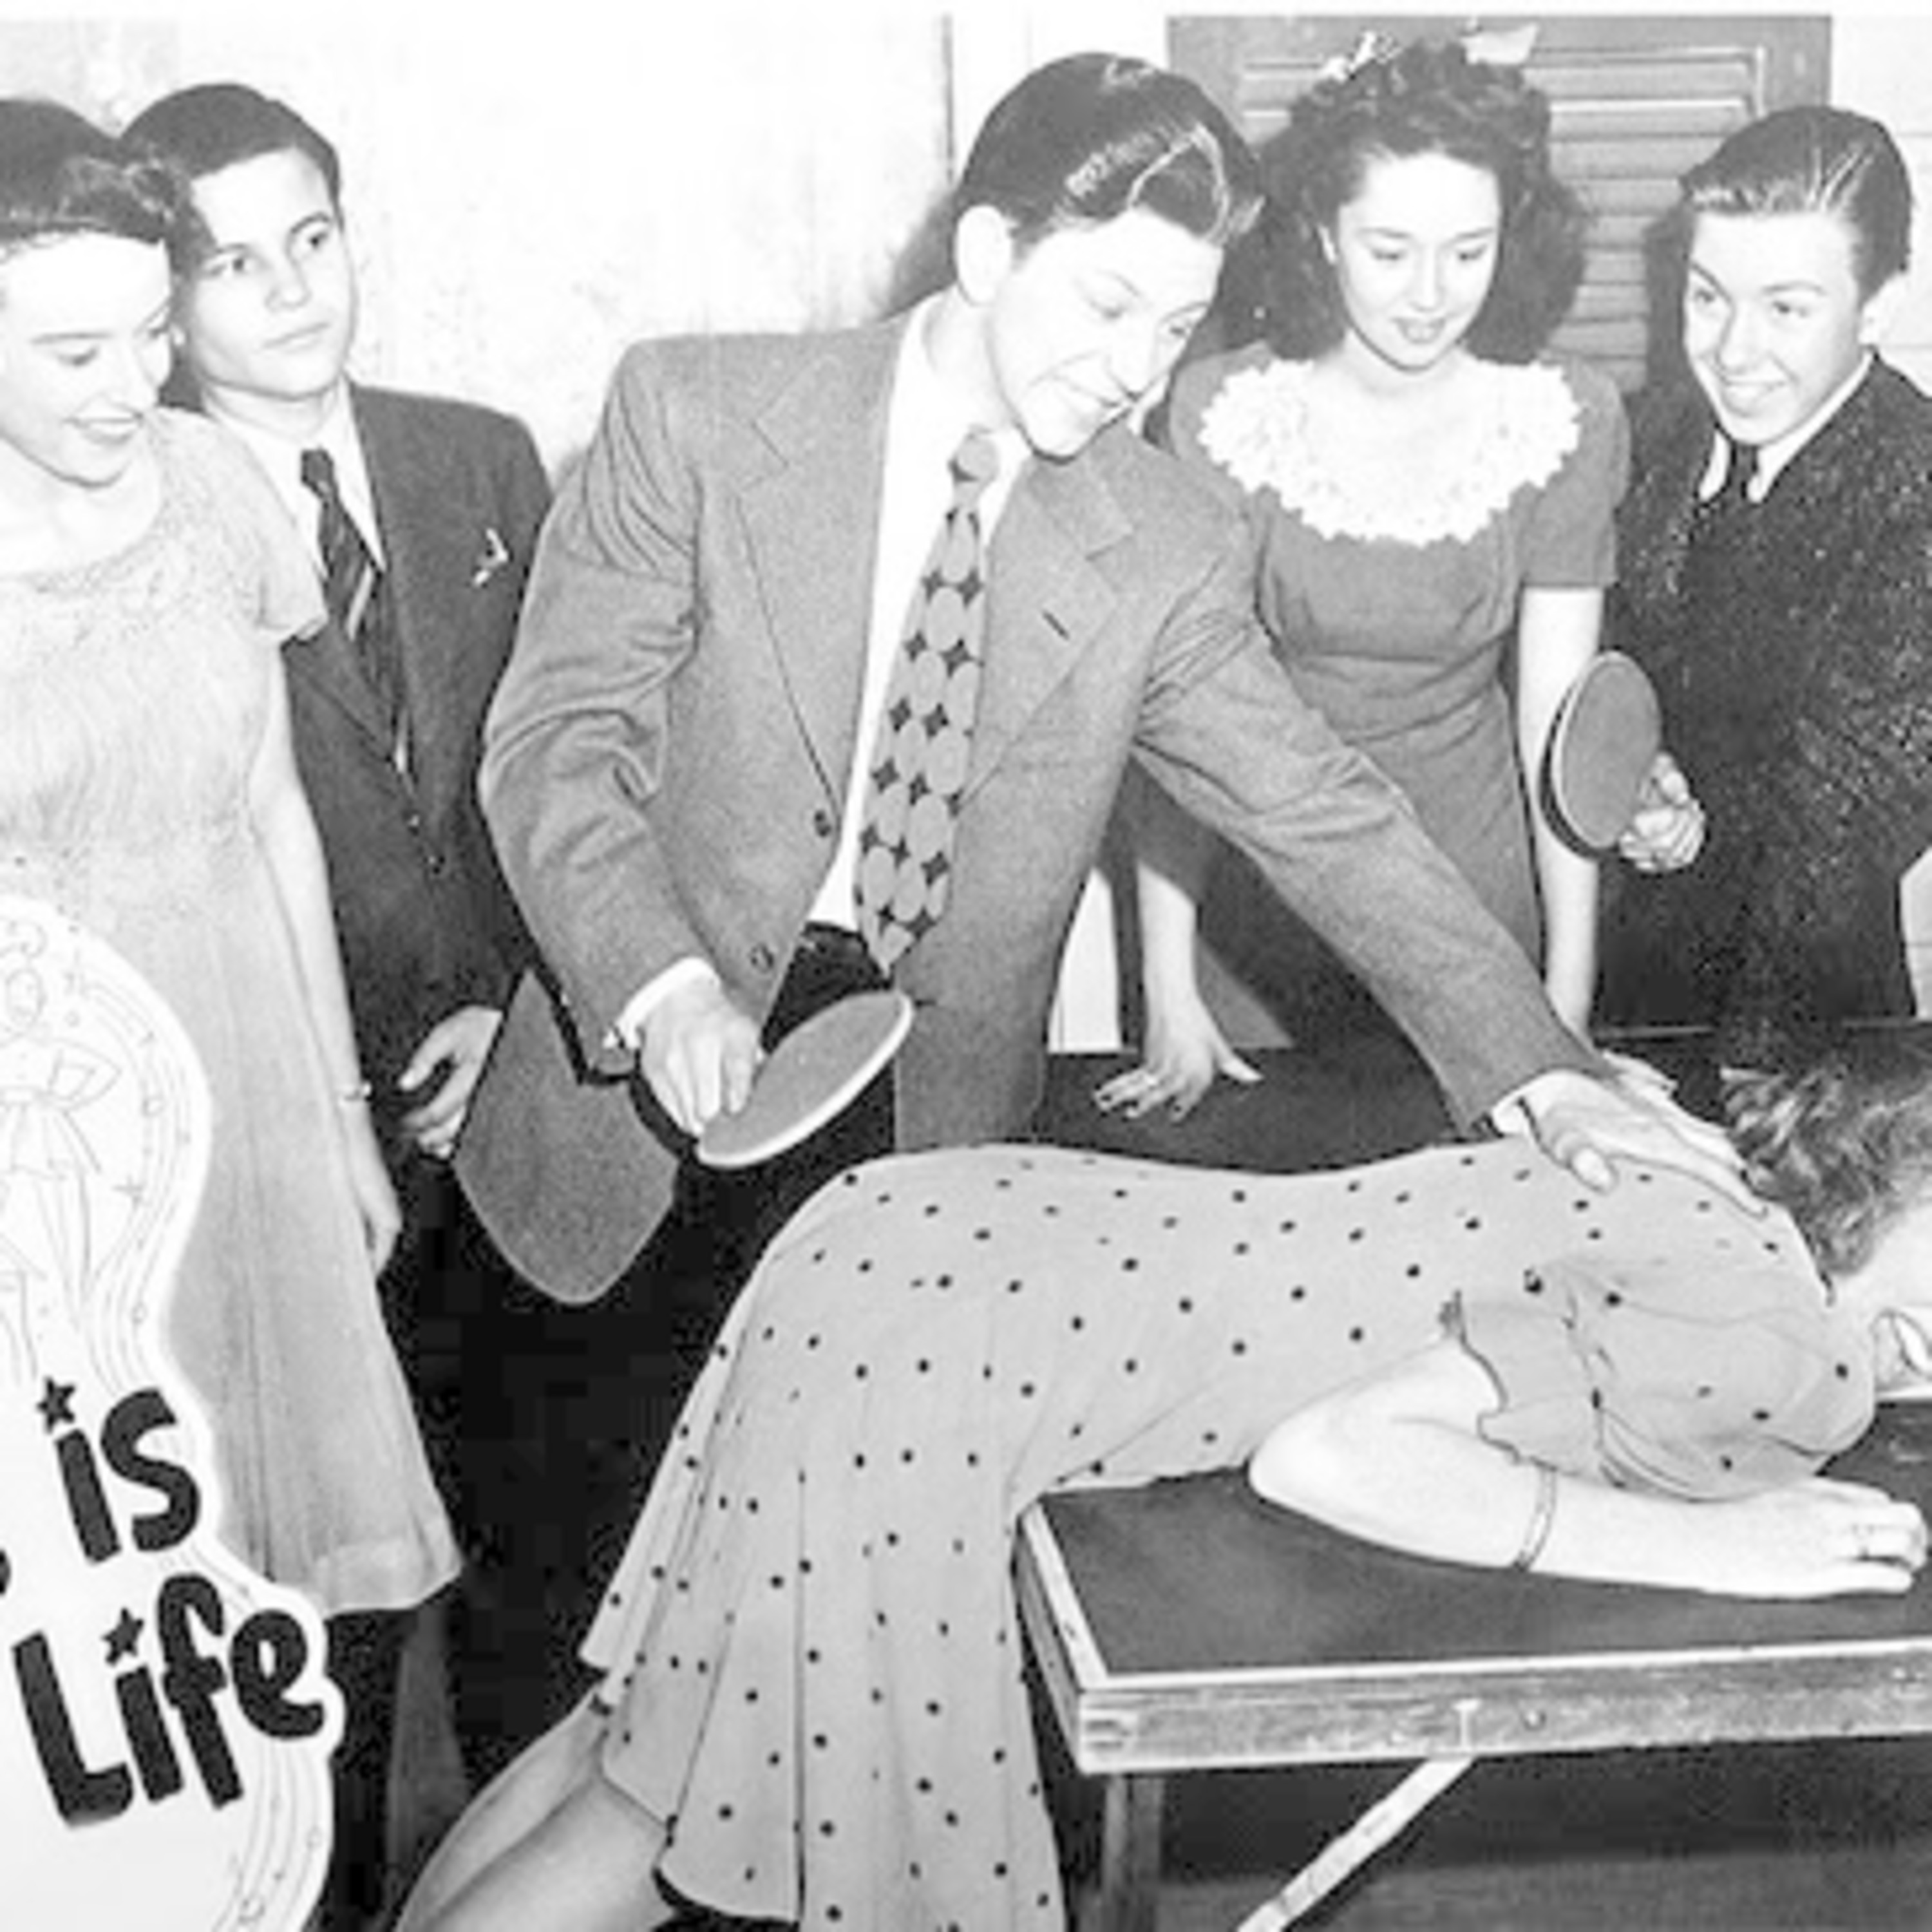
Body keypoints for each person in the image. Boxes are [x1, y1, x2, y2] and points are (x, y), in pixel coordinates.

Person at [457, 50, 1743, 1331]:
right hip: (625, 1102)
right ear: (986, 253)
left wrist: (1541, 1069)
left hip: (929, 1141)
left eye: (1177, 329)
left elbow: (1323, 811)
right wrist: (662, 984)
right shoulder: (693, 416)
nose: (1139, 368)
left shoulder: (1167, 541)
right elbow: (556, 743)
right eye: (1108, 303)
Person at [398, 1028, 1932, 1931]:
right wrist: (1723, 1553)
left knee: (627, 1744)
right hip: (955, 1359)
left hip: (910, 1241)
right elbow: (1335, 1456)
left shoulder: (1695, 1157)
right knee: (664, 1828)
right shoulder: (1785, 1344)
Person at [0, 91, 455, 1920]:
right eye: (74, 352)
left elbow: (271, 807)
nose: (134, 383)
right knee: (104, 1620)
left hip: (255, 1090)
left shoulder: (209, 483)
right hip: (52, 1154)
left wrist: (336, 1123)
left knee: (314, 1592)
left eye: (147, 331)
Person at [121, 77, 556, 1888]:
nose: (294, 289)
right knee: (330, 1609)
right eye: (233, 262)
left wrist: (520, 1003)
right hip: (290, 1127)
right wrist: (343, 1090)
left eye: (312, 236)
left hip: (522, 1093)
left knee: (541, 1562)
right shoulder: (136, 506)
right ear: (162, 298)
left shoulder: (483, 459)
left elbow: (566, 760)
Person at [1103, 36, 1624, 1121]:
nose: (1432, 295)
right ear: (1322, 235)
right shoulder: (1218, 412)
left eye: (1469, 251)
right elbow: (1177, 722)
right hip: (1260, 910)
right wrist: (1167, 984)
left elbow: (1560, 733)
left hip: (1473, 902)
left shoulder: (1565, 418)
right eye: (1391, 251)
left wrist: (1566, 996)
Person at [1598, 104, 1932, 1073]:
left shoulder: (1917, 488)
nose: (1735, 352)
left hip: (1798, 1037)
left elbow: (1838, 830)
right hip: (1614, 993)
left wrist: (1739, 1093)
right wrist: (1633, 770)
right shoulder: (1646, 434)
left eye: (1787, 309)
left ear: (1878, 307)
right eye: (1708, 297)